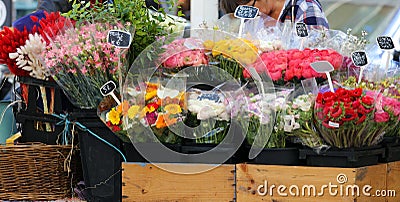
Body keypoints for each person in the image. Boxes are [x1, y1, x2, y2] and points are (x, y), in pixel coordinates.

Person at [220, 0, 329, 29]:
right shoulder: (253, 22)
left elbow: (319, 50)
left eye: (249, 9)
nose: (248, 17)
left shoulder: (304, 7)